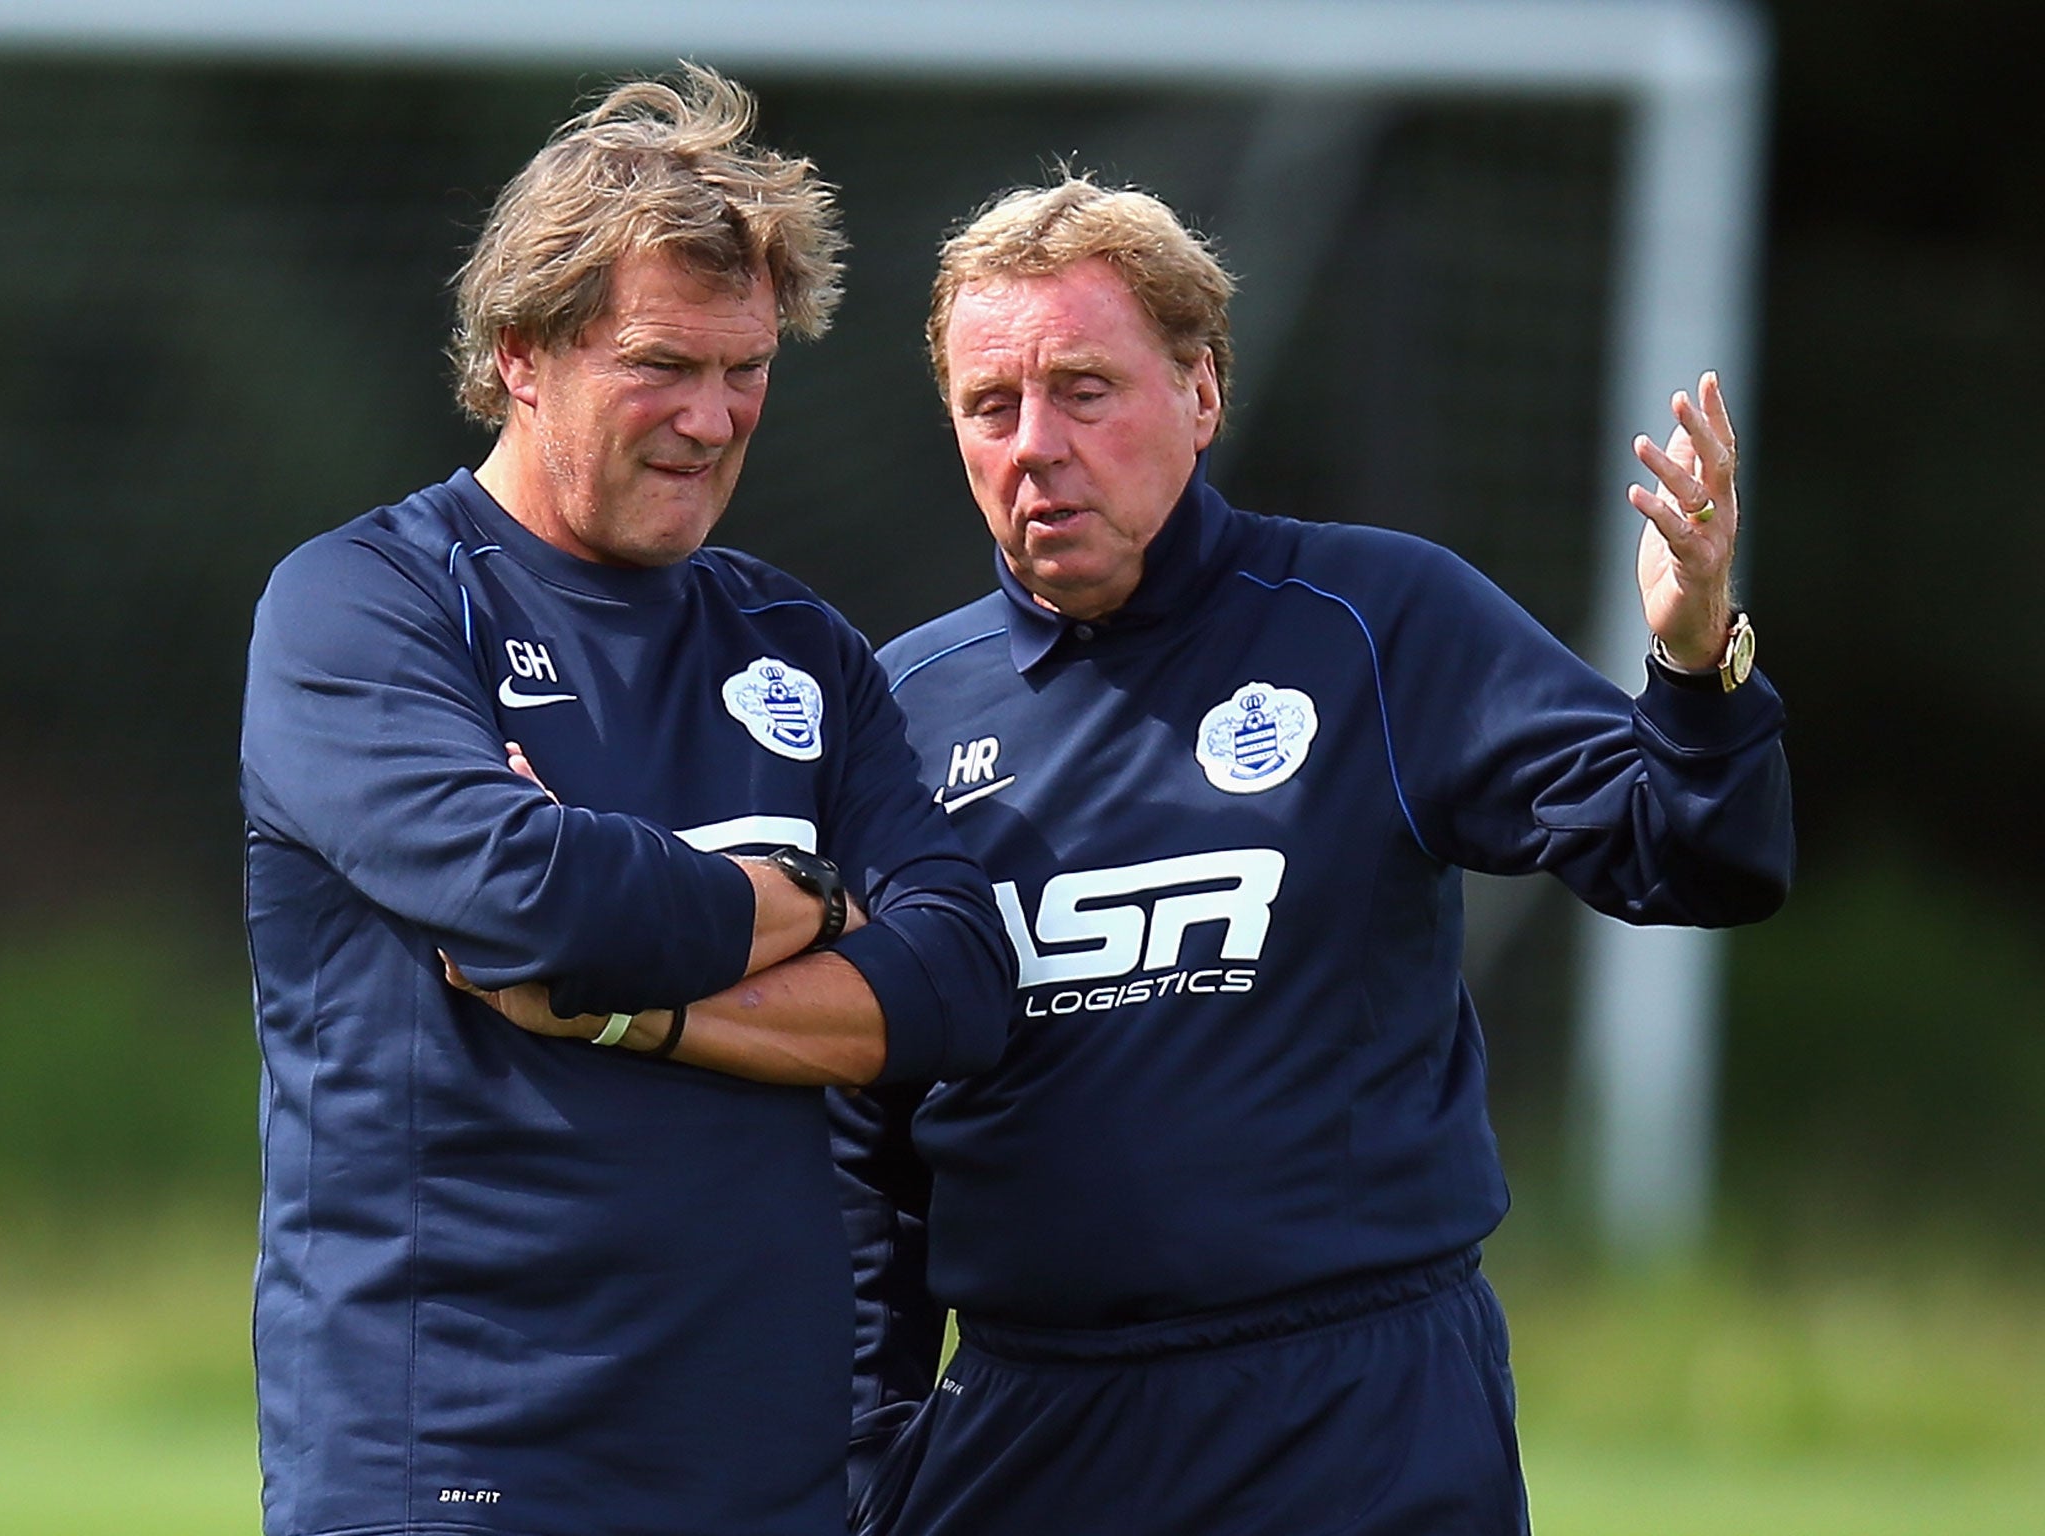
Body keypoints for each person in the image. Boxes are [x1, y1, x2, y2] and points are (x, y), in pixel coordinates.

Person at [834, 175, 1792, 1536]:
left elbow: (1697, 861)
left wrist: (1696, 673)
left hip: (1354, 1413)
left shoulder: (1375, 623)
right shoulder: (904, 711)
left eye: (1086, 390)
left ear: (1202, 391)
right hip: (1032, 1423)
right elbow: (863, 1161)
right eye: (994, 406)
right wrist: (862, 1462)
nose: (1035, 443)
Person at [239, 65, 1012, 1536]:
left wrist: (633, 1005)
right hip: (453, 1455)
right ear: (524, 352)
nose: (715, 419)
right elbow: (532, 896)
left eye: (748, 369)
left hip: (761, 1461)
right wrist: (808, 904)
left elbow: (964, 981)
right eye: (663, 363)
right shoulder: (364, 606)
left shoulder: (799, 648)